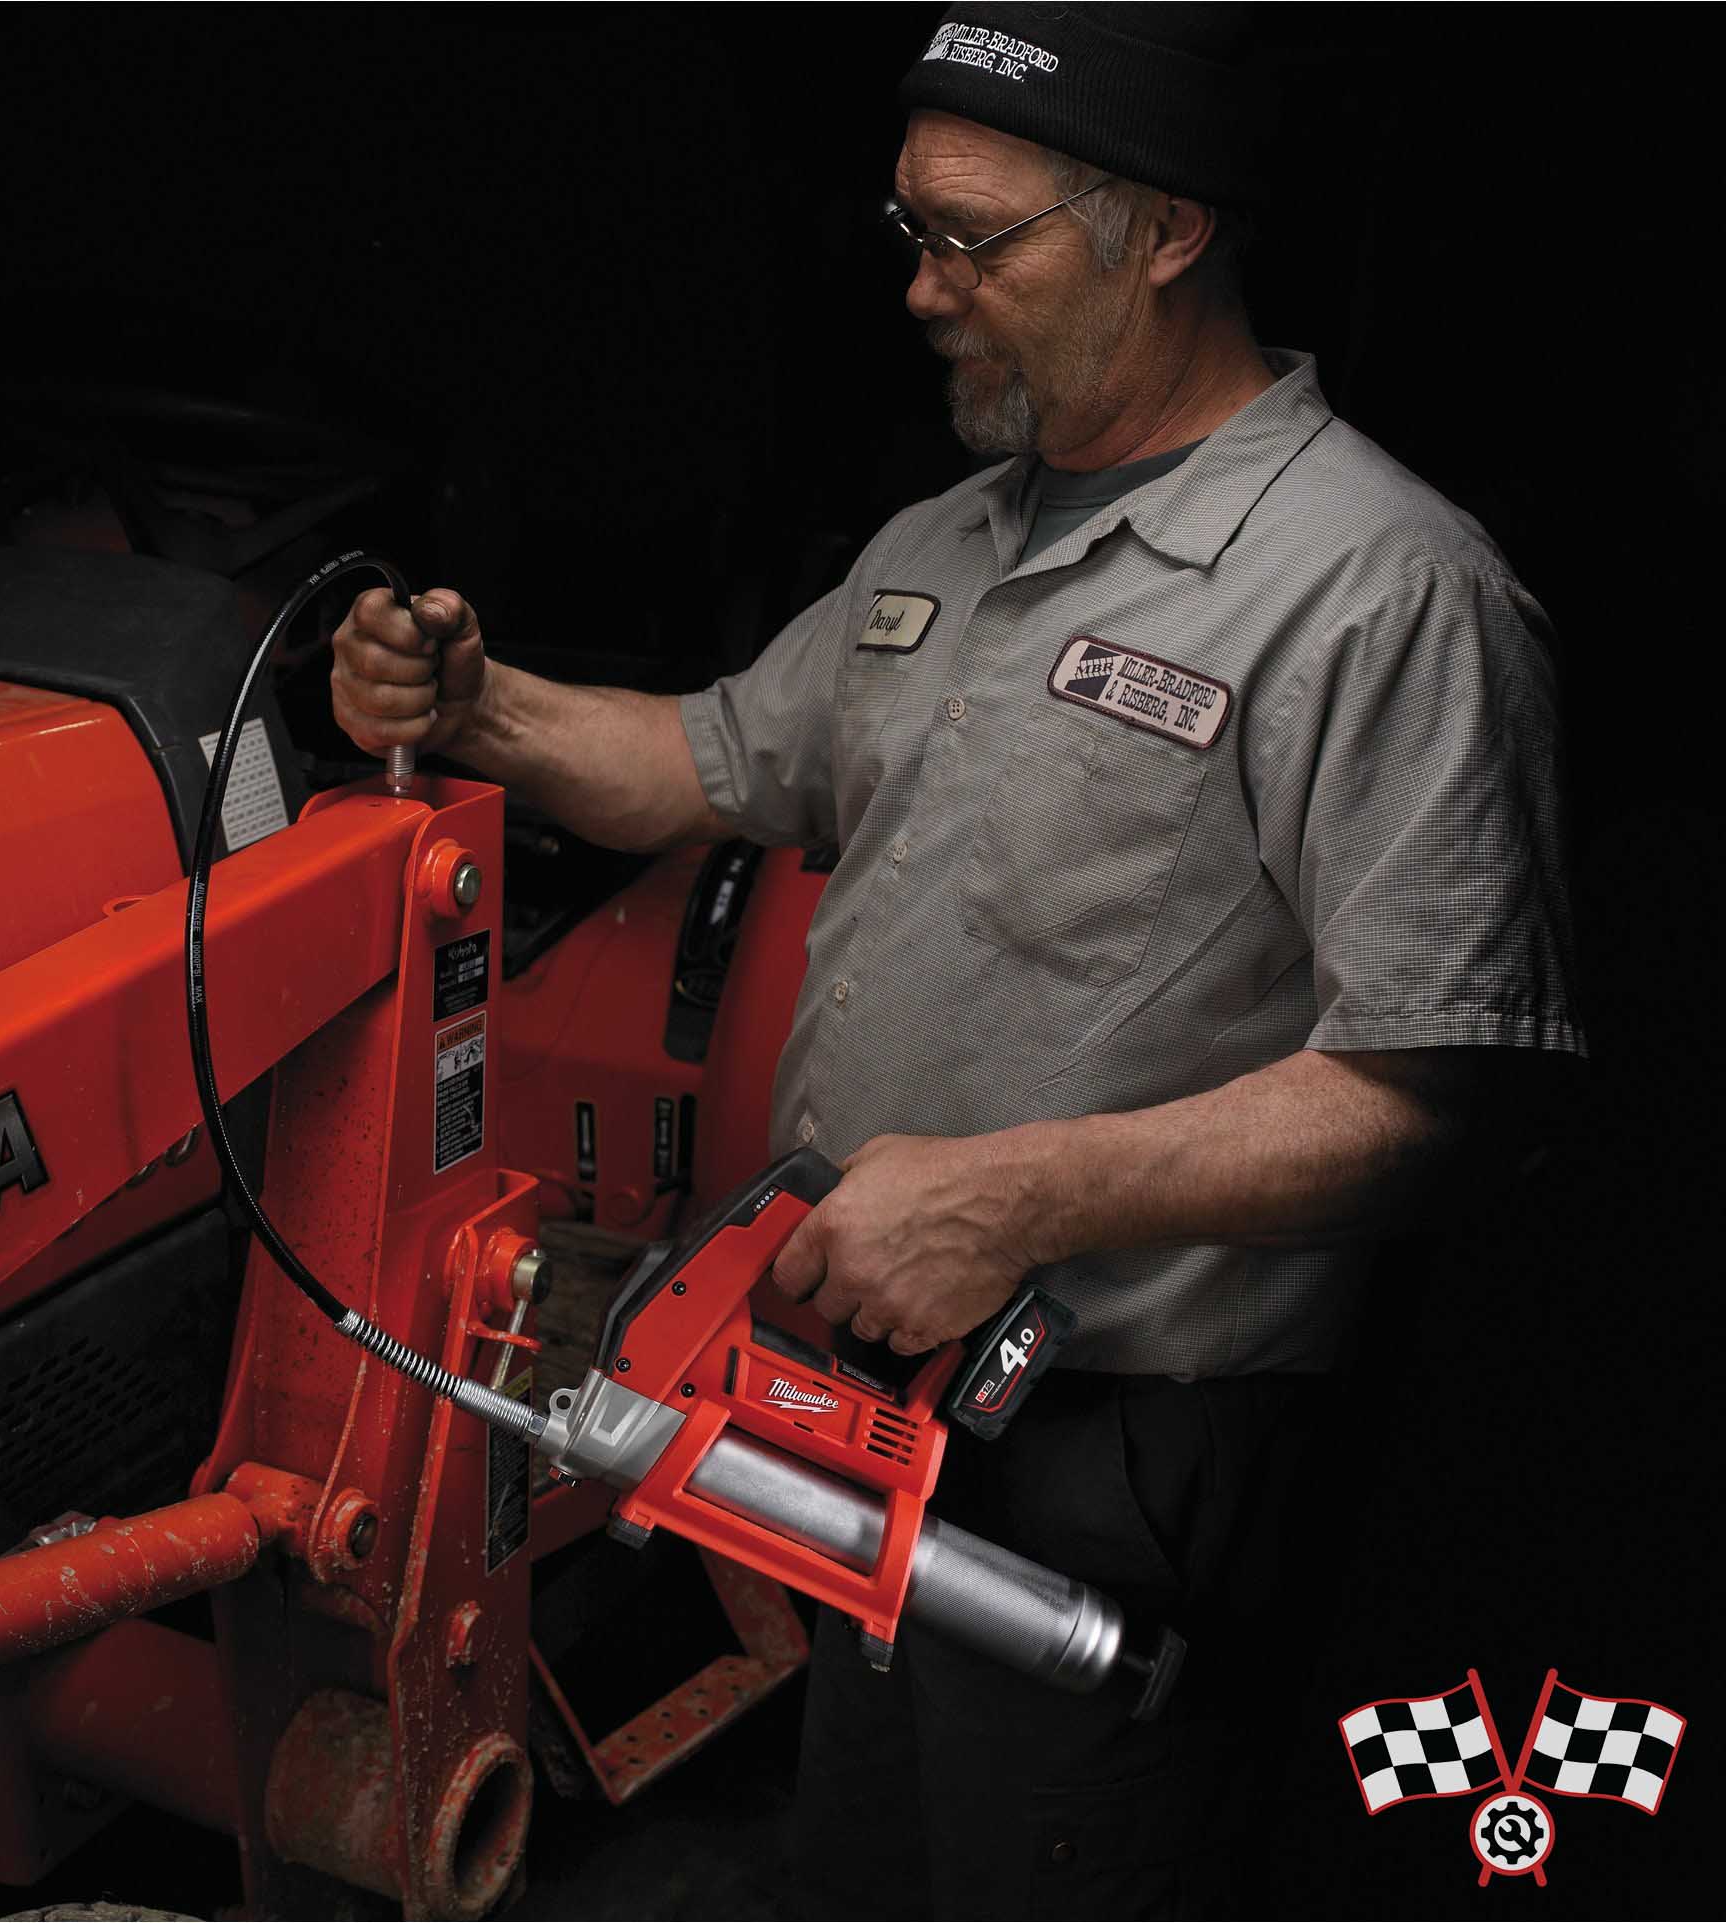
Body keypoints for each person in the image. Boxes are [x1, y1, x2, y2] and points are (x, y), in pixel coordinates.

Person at [329, 5, 1580, 1914]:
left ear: (1168, 230)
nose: (921, 291)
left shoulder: (1381, 590)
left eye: (976, 240)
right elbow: (703, 763)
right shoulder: (938, 545)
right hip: (869, 1408)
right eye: (909, 230)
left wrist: (1015, 1199)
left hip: (1118, 1454)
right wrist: (479, 707)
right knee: (866, 1867)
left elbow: (1448, 1100)